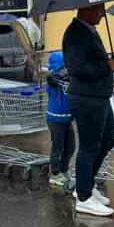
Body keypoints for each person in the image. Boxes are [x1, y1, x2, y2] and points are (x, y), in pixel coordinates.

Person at [63, 4, 114, 217]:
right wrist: (107, 66)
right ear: (86, 10)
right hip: (87, 98)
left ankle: (87, 184)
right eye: (99, 10)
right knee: (89, 147)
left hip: (99, 96)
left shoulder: (87, 30)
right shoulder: (76, 33)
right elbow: (76, 68)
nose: (102, 14)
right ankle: (83, 197)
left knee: (107, 141)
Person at [45, 51, 75, 190]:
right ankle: (55, 174)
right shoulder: (53, 79)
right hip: (55, 120)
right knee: (58, 147)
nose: (66, 69)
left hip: (67, 119)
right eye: (63, 67)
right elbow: (53, 78)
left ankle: (63, 169)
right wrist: (66, 75)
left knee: (70, 146)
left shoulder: (67, 78)